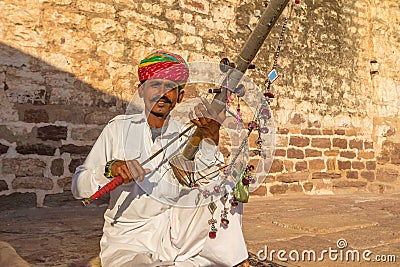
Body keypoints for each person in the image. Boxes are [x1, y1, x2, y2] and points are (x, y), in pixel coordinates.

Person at [72, 51, 249, 267]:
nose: (162, 93)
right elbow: (78, 185)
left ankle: (234, 260)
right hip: (129, 238)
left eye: (170, 87)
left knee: (223, 191)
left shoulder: (183, 134)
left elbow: (204, 181)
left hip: (173, 232)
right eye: (155, 85)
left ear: (180, 97)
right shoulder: (117, 129)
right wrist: (112, 168)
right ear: (141, 90)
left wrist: (211, 140)